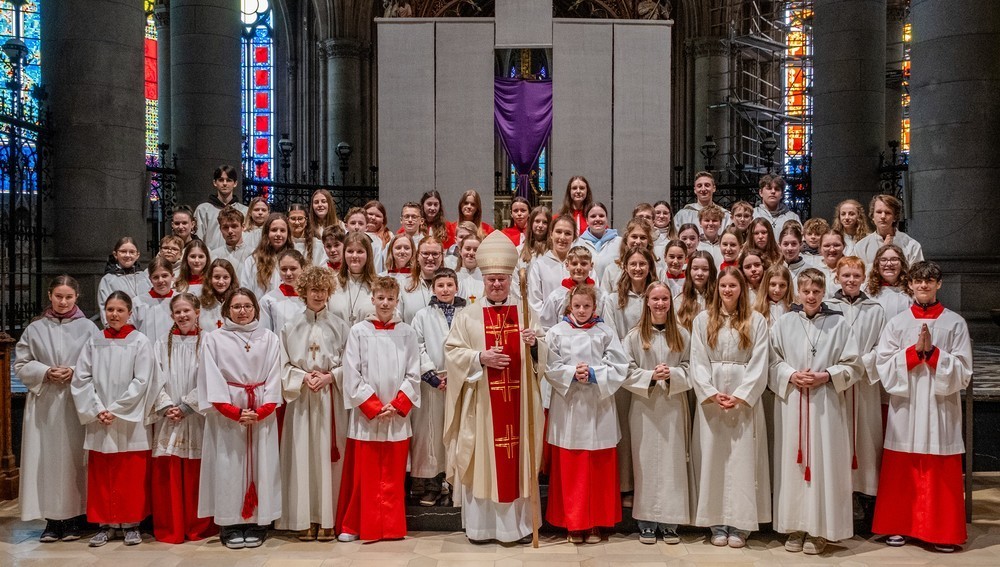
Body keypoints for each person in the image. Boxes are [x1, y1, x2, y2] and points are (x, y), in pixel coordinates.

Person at [444, 230, 542, 544]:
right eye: (491, 280)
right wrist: (480, 357)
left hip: (518, 405)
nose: (497, 284)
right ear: (483, 281)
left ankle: (517, 528)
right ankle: (481, 528)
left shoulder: (527, 313)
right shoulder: (468, 316)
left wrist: (534, 344)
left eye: (502, 279)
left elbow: (546, 357)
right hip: (482, 407)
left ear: (510, 279)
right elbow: (453, 353)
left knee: (515, 464)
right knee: (483, 463)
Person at [872, 261, 972, 552]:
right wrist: (913, 354)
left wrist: (935, 353)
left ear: (939, 285)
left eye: (930, 281)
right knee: (901, 464)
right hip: (907, 404)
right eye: (918, 281)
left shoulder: (955, 323)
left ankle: (941, 532)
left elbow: (964, 370)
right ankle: (897, 526)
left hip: (940, 405)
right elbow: (884, 364)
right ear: (911, 285)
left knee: (939, 465)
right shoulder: (897, 322)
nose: (924, 286)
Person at [769, 268, 862, 555]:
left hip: (826, 404)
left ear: (824, 293)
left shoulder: (840, 324)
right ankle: (795, 526)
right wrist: (790, 374)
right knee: (792, 466)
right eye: (806, 291)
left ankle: (821, 529)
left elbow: (854, 365)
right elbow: (771, 361)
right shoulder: (783, 323)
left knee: (825, 465)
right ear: (797, 292)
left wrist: (828, 375)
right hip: (793, 402)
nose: (810, 296)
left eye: (816, 292)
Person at [689, 267, 770, 548]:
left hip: (743, 398)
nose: (727, 290)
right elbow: (697, 360)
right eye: (723, 285)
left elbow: (760, 360)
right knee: (713, 459)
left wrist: (742, 394)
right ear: (717, 289)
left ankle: (740, 523)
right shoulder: (703, 320)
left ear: (741, 289)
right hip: (712, 400)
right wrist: (711, 393)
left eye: (733, 286)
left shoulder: (756, 320)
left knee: (742, 460)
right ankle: (715, 521)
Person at [336, 276, 421, 542]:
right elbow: (352, 373)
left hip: (395, 417)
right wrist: (373, 406)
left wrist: (396, 406)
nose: (385, 303)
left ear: (397, 301)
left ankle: (392, 528)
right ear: (372, 299)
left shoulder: (406, 332)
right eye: (380, 298)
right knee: (365, 475)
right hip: (367, 418)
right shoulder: (359, 331)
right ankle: (357, 525)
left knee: (393, 477)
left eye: (390, 299)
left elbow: (414, 374)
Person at [15, 276, 99, 542]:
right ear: (50, 295)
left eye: (69, 297)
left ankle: (75, 518)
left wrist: (73, 371)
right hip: (46, 402)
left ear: (77, 298)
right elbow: (21, 364)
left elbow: (99, 361)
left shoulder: (88, 327)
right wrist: (45, 371)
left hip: (76, 402)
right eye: (58, 296)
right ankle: (51, 520)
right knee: (46, 460)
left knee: (74, 460)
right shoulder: (36, 328)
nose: (63, 302)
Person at [197, 288, 283, 550]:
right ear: (227, 310)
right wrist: (233, 411)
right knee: (228, 467)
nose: (242, 311)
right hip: (229, 416)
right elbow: (209, 377)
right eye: (236, 306)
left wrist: (262, 410)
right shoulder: (214, 339)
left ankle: (258, 523)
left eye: (247, 306)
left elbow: (275, 373)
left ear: (256, 309)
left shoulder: (269, 338)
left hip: (260, 413)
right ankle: (231, 524)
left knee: (261, 466)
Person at [544, 284, 629, 544]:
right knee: (571, 468)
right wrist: (572, 373)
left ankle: (595, 524)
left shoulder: (605, 331)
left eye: (587, 306)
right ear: (570, 306)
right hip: (568, 405)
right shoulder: (557, 332)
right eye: (577, 306)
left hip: (597, 405)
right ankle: (573, 523)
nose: (581, 311)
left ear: (595, 307)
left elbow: (619, 365)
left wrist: (593, 374)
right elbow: (549, 364)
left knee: (598, 467)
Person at [71, 291, 156, 547]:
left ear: (130, 312)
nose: (114, 315)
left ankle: (131, 524)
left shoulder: (140, 341)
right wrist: (98, 409)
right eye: (110, 310)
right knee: (102, 471)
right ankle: (105, 523)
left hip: (128, 418)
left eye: (120, 310)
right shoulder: (95, 340)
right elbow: (82, 378)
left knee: (130, 470)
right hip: (100, 416)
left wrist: (117, 409)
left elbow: (142, 380)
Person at [276, 266, 350, 541]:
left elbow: (351, 365)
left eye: (323, 290)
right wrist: (303, 376)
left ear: (330, 292)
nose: (319, 295)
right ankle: (304, 518)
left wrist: (331, 376)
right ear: (303, 292)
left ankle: (328, 518)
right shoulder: (290, 326)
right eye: (313, 290)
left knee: (330, 461)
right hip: (303, 401)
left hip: (330, 399)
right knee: (302, 457)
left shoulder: (341, 326)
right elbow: (282, 365)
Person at [622, 281, 692, 545]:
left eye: (665, 299)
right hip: (645, 406)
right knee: (646, 463)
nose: (660, 303)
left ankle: (670, 522)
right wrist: (650, 376)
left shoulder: (682, 334)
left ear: (670, 302)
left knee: (673, 463)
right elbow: (625, 370)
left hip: (673, 405)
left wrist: (672, 374)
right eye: (655, 299)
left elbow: (692, 367)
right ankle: (647, 521)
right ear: (647, 302)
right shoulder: (634, 336)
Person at [149, 293, 217, 544]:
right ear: (171, 315)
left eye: (187, 311)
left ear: (197, 312)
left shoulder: (209, 341)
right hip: (169, 417)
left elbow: (213, 376)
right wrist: (167, 406)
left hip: (196, 417)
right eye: (178, 312)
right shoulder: (160, 344)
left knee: (195, 473)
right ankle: (172, 526)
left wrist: (188, 405)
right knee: (170, 473)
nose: (183, 316)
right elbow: (153, 376)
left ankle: (197, 526)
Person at [827, 255, 886, 531]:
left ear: (864, 278)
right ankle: (838, 498)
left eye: (856, 275)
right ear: (836, 277)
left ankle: (865, 499)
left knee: (865, 440)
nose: (851, 280)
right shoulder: (828, 306)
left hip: (863, 383)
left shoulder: (875, 309)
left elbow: (882, 346)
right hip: (835, 384)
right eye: (846, 275)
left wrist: (861, 365)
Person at [410, 268, 467, 507]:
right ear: (433, 289)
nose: (445, 290)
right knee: (430, 435)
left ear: (457, 287)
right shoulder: (422, 315)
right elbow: (417, 345)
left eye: (449, 285)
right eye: (440, 285)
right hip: (433, 382)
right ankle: (432, 484)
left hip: (461, 381)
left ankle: (457, 483)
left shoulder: (467, 313)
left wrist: (460, 374)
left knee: (457, 431)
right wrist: (431, 375)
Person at [855, 194, 923, 270]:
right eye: (879, 212)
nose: (883, 216)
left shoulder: (912, 245)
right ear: (872, 216)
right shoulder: (861, 246)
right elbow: (858, 275)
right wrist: (882, 253)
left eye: (888, 213)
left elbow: (917, 276)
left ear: (895, 217)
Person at [527, 214, 577, 315]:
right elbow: (535, 302)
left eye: (568, 233)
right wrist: (549, 324)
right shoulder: (539, 266)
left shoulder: (580, 265)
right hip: (548, 327)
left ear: (574, 237)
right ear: (551, 234)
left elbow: (592, 294)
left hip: (578, 326)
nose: (562, 237)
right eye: (558, 232)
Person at [540, 245, 598, 330]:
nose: (579, 268)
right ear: (567, 265)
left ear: (591, 265)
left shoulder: (600, 296)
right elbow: (546, 328)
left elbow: (605, 327)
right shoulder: (556, 297)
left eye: (584, 264)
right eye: (574, 264)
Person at [98, 236, 150, 325]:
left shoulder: (145, 277)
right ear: (115, 254)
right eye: (123, 251)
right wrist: (109, 326)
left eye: (132, 252)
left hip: (144, 325)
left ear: (137, 255)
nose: (127, 255)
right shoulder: (108, 280)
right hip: (120, 328)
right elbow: (104, 306)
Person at [240, 213, 293, 299]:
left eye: (282, 230)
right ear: (266, 233)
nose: (278, 234)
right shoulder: (253, 261)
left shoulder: (295, 261)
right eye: (274, 230)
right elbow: (245, 291)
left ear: (288, 234)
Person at [195, 165, 248, 250]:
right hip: (211, 258)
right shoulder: (203, 210)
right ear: (215, 182)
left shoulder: (245, 211)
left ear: (235, 183)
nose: (224, 183)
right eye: (221, 180)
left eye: (229, 180)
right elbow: (198, 239)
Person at [330, 232, 378, 326]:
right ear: (344, 254)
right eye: (350, 251)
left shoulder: (379, 284)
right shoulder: (332, 282)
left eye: (360, 251)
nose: (354, 256)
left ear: (368, 254)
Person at [599, 218, 656, 296]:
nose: (638, 242)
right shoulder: (611, 270)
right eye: (634, 237)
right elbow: (603, 301)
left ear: (649, 242)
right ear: (626, 239)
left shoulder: (658, 270)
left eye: (643, 238)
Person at [258, 249, 307, 334]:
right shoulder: (268, 300)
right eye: (284, 269)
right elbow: (265, 333)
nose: (288, 273)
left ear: (303, 268)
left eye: (293, 268)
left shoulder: (311, 297)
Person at [399, 237, 446, 324]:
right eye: (425, 253)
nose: (430, 258)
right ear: (417, 256)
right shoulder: (404, 285)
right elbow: (398, 319)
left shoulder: (451, 285)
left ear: (442, 256)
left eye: (435, 254)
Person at [863, 244, 914, 322]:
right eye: (883, 260)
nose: (889, 264)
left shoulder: (911, 291)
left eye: (894, 259)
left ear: (902, 264)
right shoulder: (866, 291)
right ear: (877, 264)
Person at [133, 256, 177, 341]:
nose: (160, 280)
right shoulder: (138, 302)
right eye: (156, 277)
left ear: (172, 276)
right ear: (150, 279)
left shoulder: (181, 300)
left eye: (164, 276)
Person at [576, 202, 620, 282]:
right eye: (593, 216)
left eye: (601, 216)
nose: (597, 219)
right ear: (587, 220)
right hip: (586, 292)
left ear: (606, 219)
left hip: (612, 292)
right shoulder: (577, 244)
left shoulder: (620, 243)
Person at [674, 250, 717, 331]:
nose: (700, 273)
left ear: (711, 272)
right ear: (689, 271)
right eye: (695, 268)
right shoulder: (678, 301)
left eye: (705, 269)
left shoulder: (719, 299)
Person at [199, 259, 239, 332]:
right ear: (210, 278)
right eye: (217, 277)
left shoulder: (238, 301)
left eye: (225, 277)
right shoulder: (200, 302)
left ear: (231, 279)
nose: (221, 281)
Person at [816, 230, 846, 297]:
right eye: (827, 246)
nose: (832, 249)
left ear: (843, 246)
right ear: (820, 248)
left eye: (836, 245)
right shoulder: (814, 269)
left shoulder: (852, 268)